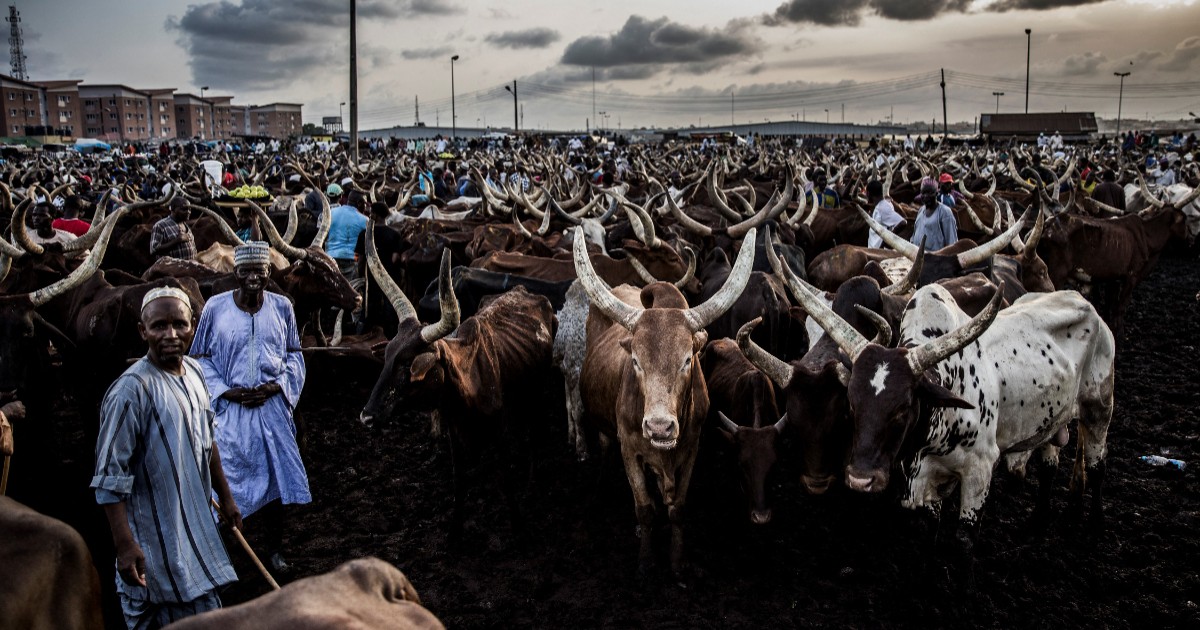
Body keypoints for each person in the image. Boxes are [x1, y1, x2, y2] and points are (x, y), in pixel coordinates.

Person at [92, 287, 240, 629]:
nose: (170, 334)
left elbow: (208, 440)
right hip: (153, 553)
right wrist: (125, 545)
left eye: (179, 324)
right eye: (159, 326)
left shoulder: (196, 373)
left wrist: (227, 497)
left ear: (192, 326)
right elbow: (109, 478)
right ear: (143, 331)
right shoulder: (130, 391)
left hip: (196, 538)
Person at [191, 242, 310, 575]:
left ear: (269, 273)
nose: (254, 277)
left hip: (273, 410)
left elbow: (294, 355)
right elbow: (198, 358)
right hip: (231, 414)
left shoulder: (283, 306)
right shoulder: (215, 308)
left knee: (275, 482)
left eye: (261, 270)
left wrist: (278, 386)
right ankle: (229, 551)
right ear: (235, 273)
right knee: (230, 479)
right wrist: (227, 392)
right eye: (247, 271)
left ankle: (274, 549)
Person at [326, 190, 368, 279]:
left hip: (330, 258)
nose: (366, 207)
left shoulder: (331, 212)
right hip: (351, 261)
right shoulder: (364, 220)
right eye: (365, 203)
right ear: (359, 203)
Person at [910, 178, 958, 251]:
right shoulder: (921, 210)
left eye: (930, 193)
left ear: (937, 193)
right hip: (918, 256)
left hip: (936, 259)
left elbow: (951, 242)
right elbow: (914, 236)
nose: (926, 196)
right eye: (923, 193)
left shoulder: (945, 212)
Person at [866, 180, 906, 249]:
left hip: (879, 252)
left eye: (867, 193)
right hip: (874, 250)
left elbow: (902, 222)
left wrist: (887, 240)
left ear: (869, 194)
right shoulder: (880, 206)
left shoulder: (882, 208)